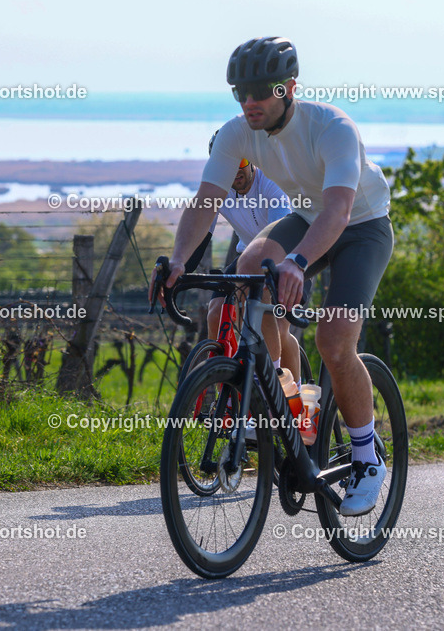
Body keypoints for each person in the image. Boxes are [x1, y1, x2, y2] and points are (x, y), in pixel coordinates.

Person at [152, 36, 394, 516]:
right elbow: (206, 200)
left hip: (360, 227)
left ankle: (367, 458)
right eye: (240, 91)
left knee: (334, 341)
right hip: (306, 216)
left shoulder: (332, 128)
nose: (249, 102)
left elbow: (340, 210)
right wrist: (179, 260)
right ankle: (281, 400)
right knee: (246, 270)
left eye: (260, 91)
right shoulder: (237, 132)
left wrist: (298, 262)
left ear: (288, 88)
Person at [183, 131, 311, 382]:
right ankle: (226, 398)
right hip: (247, 255)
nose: (235, 170)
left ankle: (289, 400)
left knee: (279, 325)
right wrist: (180, 271)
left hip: (290, 254)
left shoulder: (272, 181)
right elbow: (199, 236)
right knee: (216, 313)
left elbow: (282, 236)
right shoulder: (217, 188)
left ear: (252, 160)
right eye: (227, 164)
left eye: (240, 162)